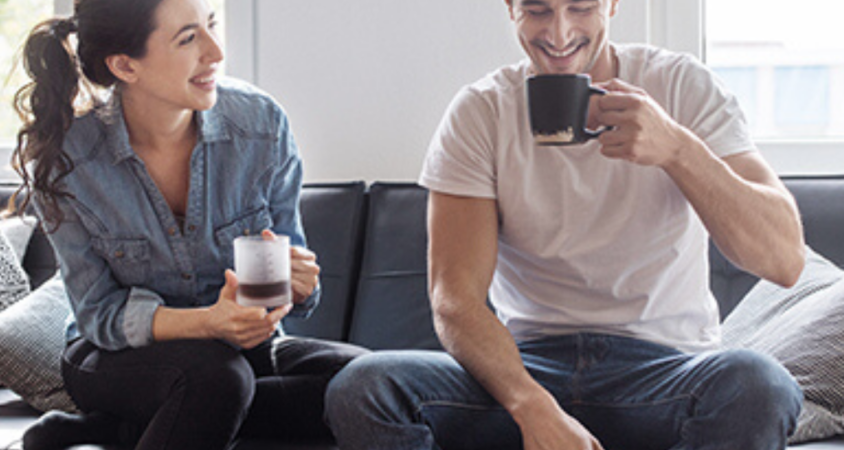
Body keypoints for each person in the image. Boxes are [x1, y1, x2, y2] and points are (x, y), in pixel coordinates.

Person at [325, 1, 805, 449]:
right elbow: (455, 300)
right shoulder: (480, 112)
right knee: (363, 387)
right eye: (537, 10)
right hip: (526, 365)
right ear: (511, 8)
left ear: (613, 3)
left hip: (666, 371)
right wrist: (530, 405)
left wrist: (679, 150)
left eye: (580, 7)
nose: (559, 32)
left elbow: (783, 261)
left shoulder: (682, 86)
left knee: (761, 385)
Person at [8, 0, 367, 448]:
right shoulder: (68, 163)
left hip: (240, 350)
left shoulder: (261, 126)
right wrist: (210, 323)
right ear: (125, 65)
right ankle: (164, 412)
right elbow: (99, 314)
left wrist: (296, 285)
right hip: (114, 355)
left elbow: (284, 270)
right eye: (187, 37)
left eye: (211, 25)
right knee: (220, 380)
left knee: (372, 384)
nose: (215, 51)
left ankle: (119, 432)